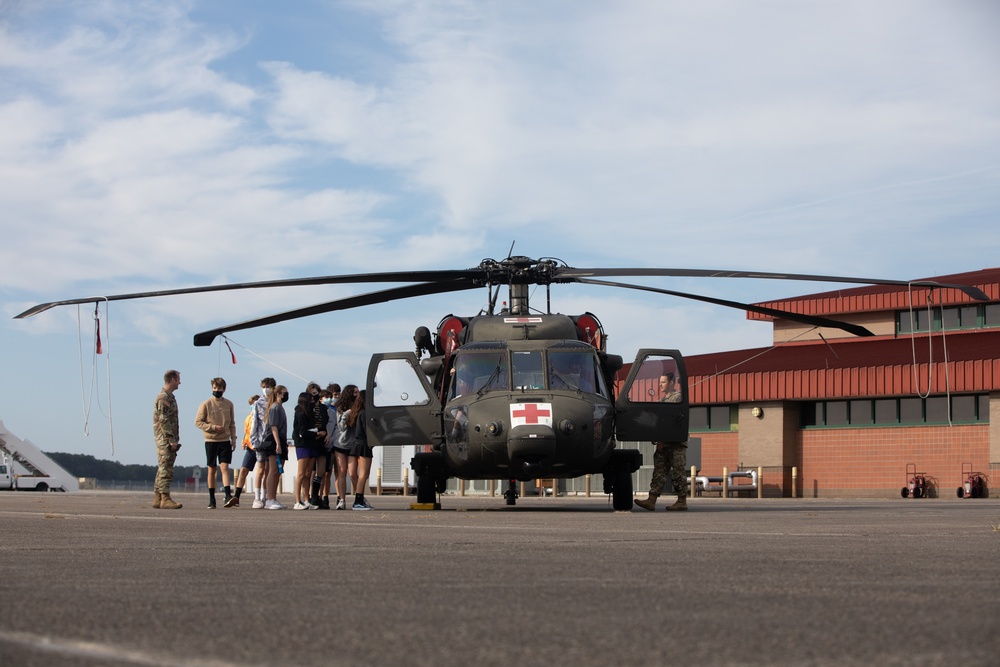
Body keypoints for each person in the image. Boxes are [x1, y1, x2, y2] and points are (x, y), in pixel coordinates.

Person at [635, 373, 688, 511]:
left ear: (671, 382)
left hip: (675, 443)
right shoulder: (662, 400)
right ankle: (651, 500)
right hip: (663, 443)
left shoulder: (677, 398)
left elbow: (669, 419)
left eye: (663, 382)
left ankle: (682, 501)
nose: (660, 385)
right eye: (660, 382)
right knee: (659, 472)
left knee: (678, 472)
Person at [195, 377, 237, 509]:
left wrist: (234, 439)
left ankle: (227, 495)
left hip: (225, 440)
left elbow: (232, 423)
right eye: (215, 388)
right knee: (211, 469)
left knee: (224, 467)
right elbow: (198, 422)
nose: (217, 390)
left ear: (224, 389)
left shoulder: (229, 404)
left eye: (219, 388)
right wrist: (213, 427)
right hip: (211, 440)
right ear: (212, 388)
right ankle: (212, 499)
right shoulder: (206, 404)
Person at [153, 369, 183, 510]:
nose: (179, 382)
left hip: (166, 438)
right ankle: (165, 498)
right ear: (172, 380)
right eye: (178, 379)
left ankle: (158, 497)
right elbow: (163, 420)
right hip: (165, 439)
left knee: (162, 468)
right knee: (166, 469)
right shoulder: (163, 398)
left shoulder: (169, 397)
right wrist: (171, 440)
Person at [225, 394, 260, 508]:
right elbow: (247, 432)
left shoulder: (262, 417)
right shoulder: (248, 418)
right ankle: (237, 496)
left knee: (262, 472)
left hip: (260, 448)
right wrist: (244, 441)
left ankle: (260, 497)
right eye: (251, 404)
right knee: (243, 470)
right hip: (250, 448)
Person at [259, 384, 289, 510]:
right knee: (273, 470)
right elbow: (273, 427)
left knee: (277, 471)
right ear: (278, 394)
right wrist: (277, 443)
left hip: (280, 439)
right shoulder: (275, 408)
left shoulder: (280, 408)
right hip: (273, 440)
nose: (286, 395)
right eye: (284, 392)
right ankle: (269, 499)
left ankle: (273, 498)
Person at [249, 378, 276, 509]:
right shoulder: (258, 403)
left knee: (269, 470)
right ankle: (257, 497)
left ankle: (265, 496)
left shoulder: (275, 403)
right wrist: (253, 440)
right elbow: (254, 423)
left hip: (271, 441)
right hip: (260, 441)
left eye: (269, 387)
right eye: (264, 386)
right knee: (260, 469)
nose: (266, 389)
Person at [331, 384, 358, 510]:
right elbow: (341, 426)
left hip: (353, 443)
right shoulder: (340, 407)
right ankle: (341, 500)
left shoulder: (359, 407)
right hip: (340, 443)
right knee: (341, 472)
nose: (357, 394)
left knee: (353, 473)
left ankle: (359, 498)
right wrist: (347, 414)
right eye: (355, 392)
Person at [347, 389, 373, 510]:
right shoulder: (365, 413)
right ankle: (358, 501)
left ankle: (359, 499)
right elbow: (368, 430)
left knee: (355, 474)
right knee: (364, 474)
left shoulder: (356, 413)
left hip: (355, 445)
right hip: (364, 445)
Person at [292, 392, 318, 509]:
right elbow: (302, 432)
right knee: (301, 473)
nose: (313, 402)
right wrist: (316, 433)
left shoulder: (310, 414)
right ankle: (297, 500)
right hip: (303, 445)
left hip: (312, 444)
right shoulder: (300, 414)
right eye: (311, 400)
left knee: (308, 474)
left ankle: (306, 499)